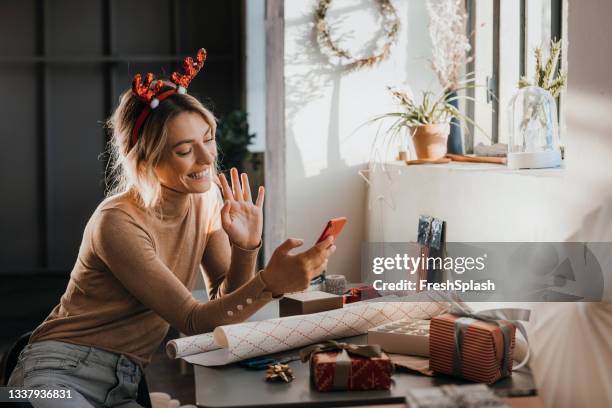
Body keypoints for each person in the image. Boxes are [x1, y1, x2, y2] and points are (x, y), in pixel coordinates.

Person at [7, 49, 336, 407]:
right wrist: (270, 283)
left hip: (124, 385)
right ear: (146, 160)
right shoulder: (117, 222)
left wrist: (246, 248)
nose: (208, 158)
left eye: (208, 138)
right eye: (184, 150)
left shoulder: (205, 200)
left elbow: (222, 310)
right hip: (54, 374)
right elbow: (193, 320)